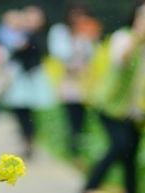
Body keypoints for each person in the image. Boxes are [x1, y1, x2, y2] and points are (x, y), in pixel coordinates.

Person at [83, 0, 145, 193]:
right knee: (120, 146)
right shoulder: (123, 37)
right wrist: (139, 34)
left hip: (134, 113)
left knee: (131, 156)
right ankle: (89, 188)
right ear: (137, 17)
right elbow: (121, 60)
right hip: (110, 106)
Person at [3, 6, 55, 158]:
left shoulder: (38, 36)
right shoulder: (22, 34)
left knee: (28, 114)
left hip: (30, 77)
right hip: (22, 78)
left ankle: (29, 142)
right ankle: (26, 141)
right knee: (21, 112)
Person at [48, 4, 101, 156]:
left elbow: (92, 54)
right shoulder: (60, 31)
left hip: (85, 82)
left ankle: (80, 148)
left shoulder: (87, 33)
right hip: (68, 81)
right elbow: (60, 53)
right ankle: (73, 149)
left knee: (83, 118)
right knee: (71, 116)